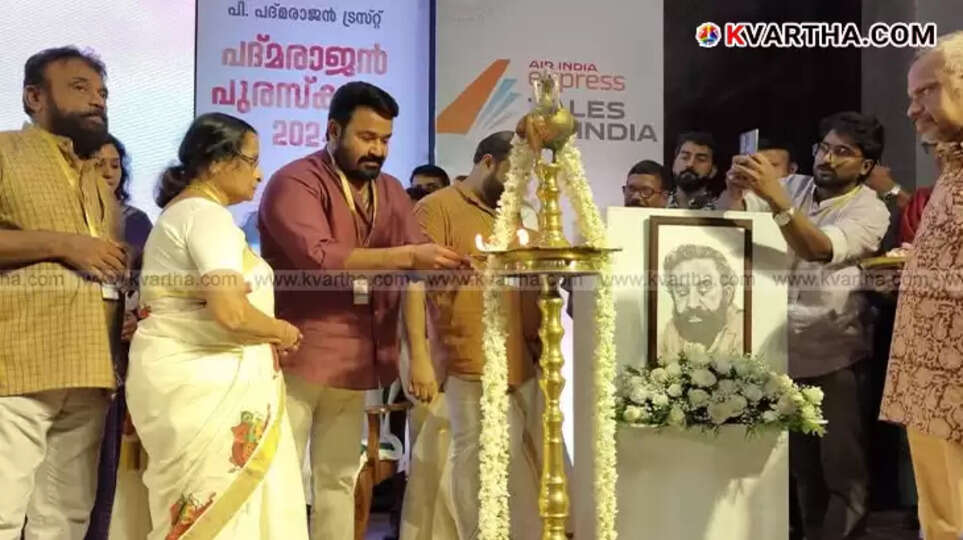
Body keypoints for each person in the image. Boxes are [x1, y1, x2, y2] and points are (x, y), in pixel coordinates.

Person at [258, 81, 466, 539]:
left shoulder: (389, 189)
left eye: (386, 140)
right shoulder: (295, 181)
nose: (378, 150)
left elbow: (420, 252)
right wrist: (411, 257)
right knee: (284, 478)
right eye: (367, 138)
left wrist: (468, 261)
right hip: (297, 355)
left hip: (357, 360)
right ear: (333, 130)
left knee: (340, 477)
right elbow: (321, 257)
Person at [124, 112, 308, 539]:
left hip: (190, 379)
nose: (260, 174)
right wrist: (282, 331)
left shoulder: (182, 213)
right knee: (221, 520)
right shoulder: (205, 216)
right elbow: (231, 312)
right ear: (221, 161)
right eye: (253, 159)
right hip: (205, 386)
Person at [725, 111, 890, 540]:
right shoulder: (795, 186)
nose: (828, 158)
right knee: (803, 475)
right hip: (783, 352)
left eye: (843, 152)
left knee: (843, 475)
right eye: (824, 148)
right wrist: (736, 189)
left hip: (836, 355)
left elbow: (818, 249)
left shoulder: (870, 210)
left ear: (866, 166)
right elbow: (736, 223)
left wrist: (776, 199)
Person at [0, 46, 126, 540]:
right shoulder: (5, 152)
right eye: (80, 88)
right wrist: (63, 245)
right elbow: (77, 250)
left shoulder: (96, 178)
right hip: (18, 363)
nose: (97, 100)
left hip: (90, 365)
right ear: (34, 96)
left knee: (66, 518)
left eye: (102, 92)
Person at [412, 131, 545, 539]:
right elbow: (414, 285)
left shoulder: (516, 213)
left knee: (516, 462)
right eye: (516, 173)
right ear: (488, 162)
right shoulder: (435, 209)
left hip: (522, 356)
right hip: (467, 355)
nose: (522, 185)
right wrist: (418, 356)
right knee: (476, 459)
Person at [881, 30, 963, 540]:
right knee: (941, 522)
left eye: (925, 92)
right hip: (929, 382)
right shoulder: (951, 169)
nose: (912, 110)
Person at [85, 134, 153, 539]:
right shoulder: (71, 220)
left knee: (111, 461)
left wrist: (138, 321)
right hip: (74, 348)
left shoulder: (137, 221)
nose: (109, 171)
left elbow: (151, 287)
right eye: (98, 163)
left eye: (115, 163)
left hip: (123, 357)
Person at [659, 244, 744, 361]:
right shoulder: (670, 333)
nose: (692, 304)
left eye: (705, 287)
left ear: (727, 293)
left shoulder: (746, 329)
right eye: (681, 291)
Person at [667, 131, 719, 210]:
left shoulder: (721, 209)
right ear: (674, 164)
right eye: (685, 157)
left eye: (701, 160)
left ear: (713, 171)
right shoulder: (657, 205)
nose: (690, 164)